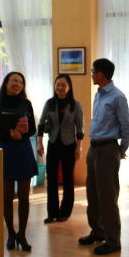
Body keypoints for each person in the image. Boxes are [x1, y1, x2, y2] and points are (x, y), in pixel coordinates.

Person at [78, 58, 129, 255]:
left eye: (93, 71)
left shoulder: (117, 97)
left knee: (108, 196)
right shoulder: (99, 94)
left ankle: (113, 240)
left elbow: (127, 127)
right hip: (94, 148)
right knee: (92, 193)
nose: (91, 75)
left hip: (108, 149)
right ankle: (97, 231)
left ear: (101, 74)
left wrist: (120, 149)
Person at [0, 72, 37, 252]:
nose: (18, 84)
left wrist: (22, 134)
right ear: (6, 83)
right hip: (7, 152)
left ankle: (22, 234)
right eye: (14, 81)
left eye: (21, 82)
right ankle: (11, 233)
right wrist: (9, 134)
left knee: (24, 197)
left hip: (23, 150)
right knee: (7, 197)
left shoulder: (26, 104)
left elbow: (32, 129)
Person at [37, 74, 85, 224]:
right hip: (53, 143)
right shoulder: (50, 103)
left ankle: (65, 212)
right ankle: (52, 213)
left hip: (69, 144)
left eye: (63, 85)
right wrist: (39, 143)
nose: (60, 88)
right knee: (51, 179)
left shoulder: (76, 105)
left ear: (69, 87)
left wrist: (79, 147)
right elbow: (41, 124)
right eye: (58, 85)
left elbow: (80, 128)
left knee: (67, 178)